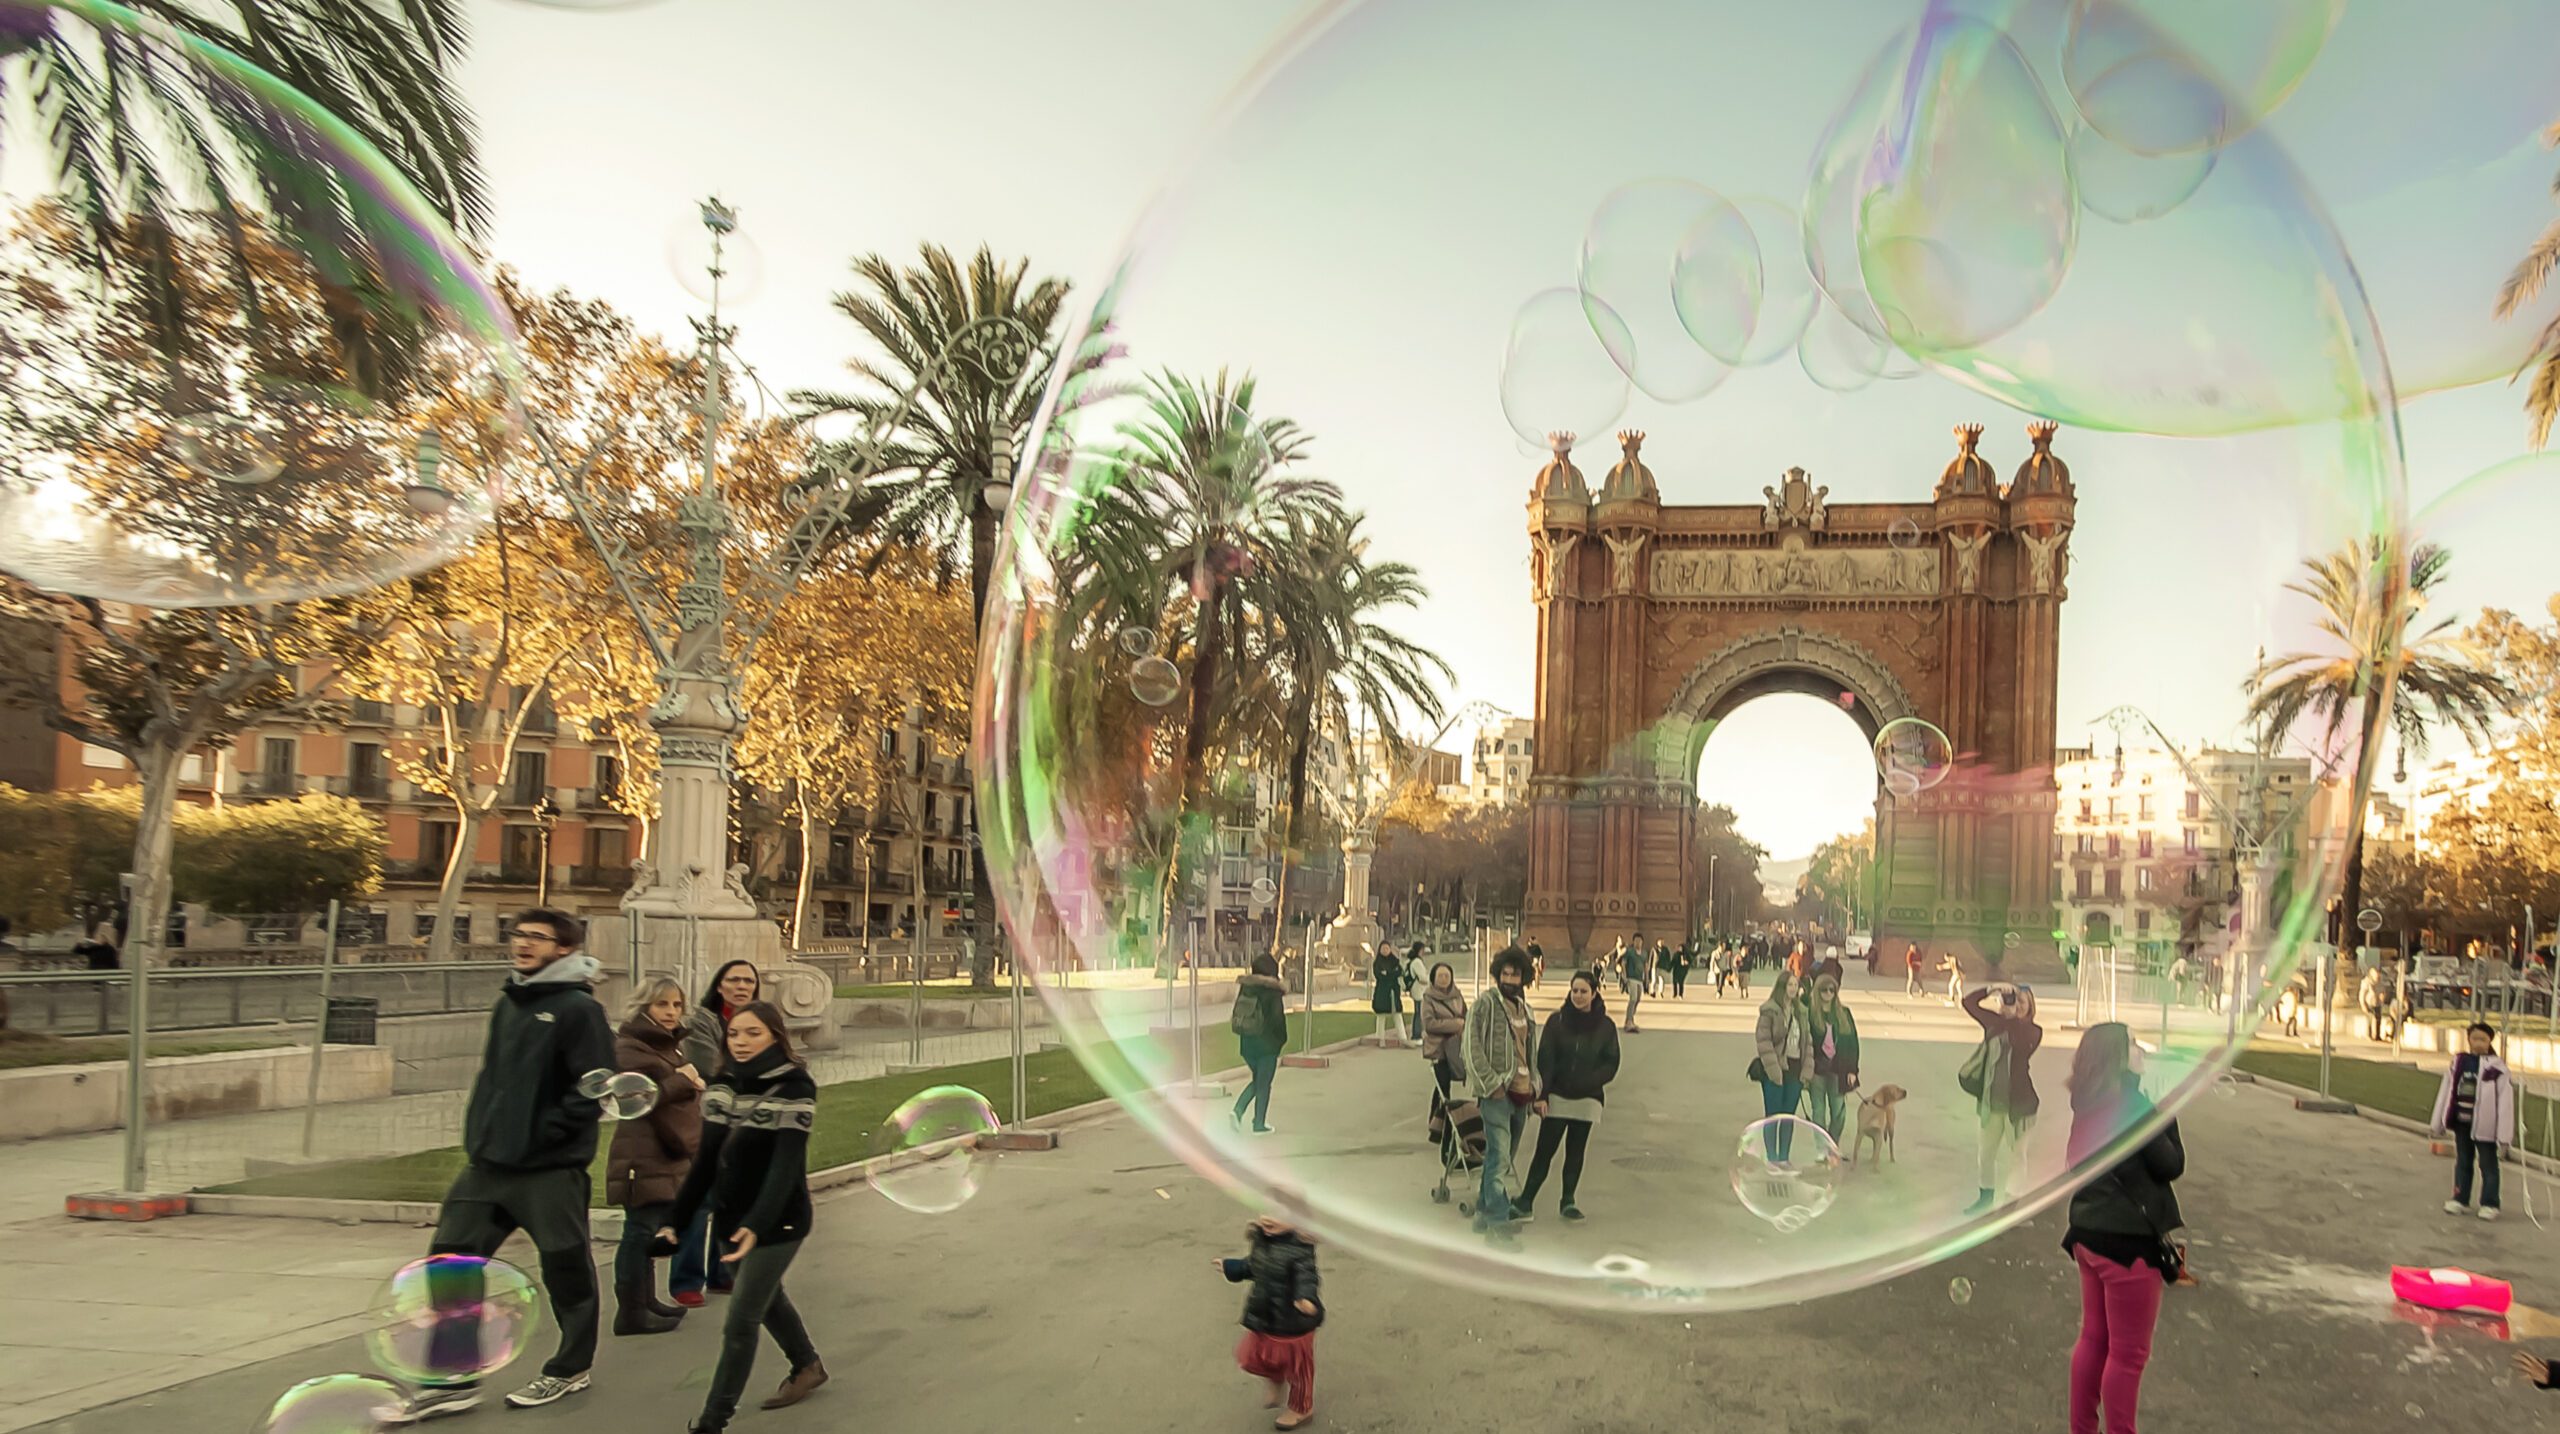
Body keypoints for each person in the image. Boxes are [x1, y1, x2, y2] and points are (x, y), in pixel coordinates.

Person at [389, 910, 616, 1421]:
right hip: (488, 1166)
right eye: (519, 934)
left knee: (565, 1270)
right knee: (448, 1265)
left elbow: (597, 1086)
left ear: (563, 949)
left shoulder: (579, 1009)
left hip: (549, 1170)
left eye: (538, 937)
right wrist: (484, 1133)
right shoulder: (509, 1003)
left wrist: (547, 1134)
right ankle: (453, 1381)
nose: (524, 943)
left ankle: (569, 1368)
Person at [662, 1001, 829, 1433]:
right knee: (768, 1298)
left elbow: (785, 1166)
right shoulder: (723, 1083)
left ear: (776, 1035)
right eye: (735, 1033)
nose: (740, 1041)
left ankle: (714, 1420)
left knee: (741, 1319)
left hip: (780, 1220)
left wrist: (756, 1224)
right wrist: (675, 1221)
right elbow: (706, 1162)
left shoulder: (795, 1086)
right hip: (730, 1216)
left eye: (753, 1033)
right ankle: (808, 1364)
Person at [2063, 1021, 2186, 1434]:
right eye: (2133, 1044)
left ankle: (2082, 1428)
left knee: (2094, 1339)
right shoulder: (2132, 1104)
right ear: (2118, 1058)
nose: (2141, 1050)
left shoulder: (2088, 1101)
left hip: (2088, 1233)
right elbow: (2171, 1164)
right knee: (2127, 1354)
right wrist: (2166, 1110)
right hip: (2126, 1243)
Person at [606, 978, 702, 1337]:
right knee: (637, 1232)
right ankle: (630, 1311)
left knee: (646, 1231)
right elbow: (635, 1099)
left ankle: (646, 1301)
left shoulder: (666, 1047)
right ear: (644, 1006)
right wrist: (684, 1079)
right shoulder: (631, 1048)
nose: (671, 1013)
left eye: (677, 1005)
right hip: (640, 1155)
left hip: (661, 1151)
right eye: (663, 1005)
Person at [675, 959, 762, 1306]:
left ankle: (722, 1273)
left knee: (732, 1199)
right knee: (700, 1201)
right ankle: (687, 1280)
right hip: (711, 1121)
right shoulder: (703, 1022)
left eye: (748, 981)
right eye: (734, 980)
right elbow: (709, 1066)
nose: (742, 986)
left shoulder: (761, 1022)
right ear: (720, 985)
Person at [1514, 970, 1620, 1222]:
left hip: (1587, 1098)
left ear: (1594, 993)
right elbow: (1545, 1059)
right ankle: (1525, 1202)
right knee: (1544, 1151)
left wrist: (1589, 1082)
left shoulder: (1606, 1026)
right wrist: (1542, 1095)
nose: (1578, 996)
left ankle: (1568, 1201)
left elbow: (1611, 1063)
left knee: (1576, 1151)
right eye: (1574, 991)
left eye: (1584, 991)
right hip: (1557, 1096)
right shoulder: (1556, 1021)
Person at [1215, 1214, 1322, 1430]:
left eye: (1278, 1214)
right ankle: (1275, 1378)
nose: (1267, 1218)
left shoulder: (1300, 1250)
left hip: (1294, 1324)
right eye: (1264, 1210)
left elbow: (1307, 1278)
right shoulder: (1263, 1240)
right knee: (1250, 1356)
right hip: (1265, 1316)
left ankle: (1302, 1408)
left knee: (1298, 1370)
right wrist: (1231, 1267)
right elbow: (1253, 1266)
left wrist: (1306, 1299)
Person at [1462, 947, 1539, 1233]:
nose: (1509, 979)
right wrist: (1491, 1084)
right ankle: (1498, 1219)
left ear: (1523, 978)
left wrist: (1535, 1085)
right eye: (1504, 973)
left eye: (1515, 974)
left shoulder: (1524, 1009)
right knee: (1499, 1156)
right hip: (1497, 1093)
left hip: (1522, 1092)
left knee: (1506, 1157)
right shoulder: (1485, 1004)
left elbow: (1530, 1051)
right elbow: (1471, 1048)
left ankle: (1483, 1211)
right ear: (1497, 975)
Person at [1963, 981, 2044, 1216]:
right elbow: (1967, 1002)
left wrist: (2010, 1018)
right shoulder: (1995, 1023)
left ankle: (2009, 1207)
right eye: (2012, 999)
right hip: (1992, 1102)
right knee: (1985, 1154)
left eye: (2021, 1001)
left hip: (2020, 1107)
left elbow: (2019, 1044)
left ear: (2030, 1007)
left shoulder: (2033, 1031)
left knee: (2017, 1156)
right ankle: (1985, 1198)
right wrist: (1992, 988)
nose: (2016, 1005)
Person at [2431, 1022, 2518, 1222]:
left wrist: (2504, 1136)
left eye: (2483, 1040)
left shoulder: (2497, 1068)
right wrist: (2438, 1123)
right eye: (2475, 1038)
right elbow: (2447, 1091)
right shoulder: (2459, 1062)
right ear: (2468, 1039)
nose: (2479, 1043)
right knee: (2463, 1161)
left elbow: (2505, 1103)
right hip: (2462, 1123)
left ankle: (2490, 1203)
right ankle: (2460, 1197)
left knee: (2488, 1165)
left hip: (2486, 1128)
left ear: (2489, 1042)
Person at [1752, 969, 1811, 1162]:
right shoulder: (1770, 1011)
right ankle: (1772, 1158)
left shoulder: (1801, 1012)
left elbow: (1807, 1043)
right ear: (1782, 987)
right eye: (1790, 985)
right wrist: (1774, 1071)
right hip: (1775, 1068)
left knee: (1788, 1117)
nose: (1794, 989)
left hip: (1795, 1068)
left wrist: (1807, 1070)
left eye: (1796, 985)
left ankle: (1784, 1158)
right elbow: (1763, 1041)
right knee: (1773, 1116)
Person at [1229, 955, 1289, 1135]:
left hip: (1247, 1042)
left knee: (1259, 1081)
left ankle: (1243, 1114)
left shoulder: (1246, 988)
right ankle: (1255, 1120)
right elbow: (1277, 1019)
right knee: (1263, 1083)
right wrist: (1281, 1041)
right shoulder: (1273, 991)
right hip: (1267, 1044)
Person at [1804, 969, 1861, 1145]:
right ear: (1817, 991)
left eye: (1832, 990)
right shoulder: (1809, 1013)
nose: (1828, 993)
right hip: (1817, 1069)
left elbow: (1852, 1043)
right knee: (1818, 1111)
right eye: (1824, 990)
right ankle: (1822, 1148)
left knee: (1838, 1112)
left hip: (1839, 1069)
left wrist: (1853, 1070)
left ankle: (1832, 1144)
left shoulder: (1844, 1013)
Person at [1417, 961, 1468, 1104]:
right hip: (1439, 1050)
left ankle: (1438, 1121)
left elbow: (1466, 1017)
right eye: (1440, 976)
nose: (1444, 979)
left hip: (1457, 1048)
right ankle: (1443, 1123)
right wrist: (1455, 1025)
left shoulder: (1457, 996)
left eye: (1447, 976)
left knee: (1443, 1090)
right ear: (1433, 978)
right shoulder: (1428, 998)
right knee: (1443, 1088)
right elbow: (1429, 1024)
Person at [1369, 944, 1404, 1040]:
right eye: (1383, 948)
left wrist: (1387, 973)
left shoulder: (1395, 961)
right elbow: (1379, 975)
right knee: (1381, 1015)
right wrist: (1391, 974)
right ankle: (1379, 1037)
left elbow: (1399, 972)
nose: (1385, 950)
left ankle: (1402, 1037)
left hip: (1393, 990)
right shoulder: (1377, 963)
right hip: (1382, 991)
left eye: (1387, 948)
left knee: (1397, 1013)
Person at [1619, 935, 1652, 1033]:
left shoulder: (1644, 953)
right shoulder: (1629, 952)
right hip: (1631, 977)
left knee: (1638, 999)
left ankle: (1630, 1019)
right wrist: (1624, 976)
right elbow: (1623, 963)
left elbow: (1646, 967)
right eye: (1636, 941)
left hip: (1639, 979)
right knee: (1632, 998)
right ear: (1633, 942)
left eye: (1640, 941)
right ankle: (1629, 1021)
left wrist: (1647, 979)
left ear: (1642, 942)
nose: (1638, 943)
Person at [1402, 941, 1427, 1041]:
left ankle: (1416, 1034)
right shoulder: (1417, 962)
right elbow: (1423, 978)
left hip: (1414, 989)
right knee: (1419, 1013)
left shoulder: (1409, 961)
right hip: (1419, 990)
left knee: (1417, 1012)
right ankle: (1417, 1035)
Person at [2359, 962, 2388, 1042]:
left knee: (2378, 1019)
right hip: (2369, 1003)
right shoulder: (2366, 982)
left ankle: (2377, 1035)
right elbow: (2362, 994)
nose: (2377, 977)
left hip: (2377, 1003)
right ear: (2372, 975)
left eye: (2378, 976)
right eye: (2376, 975)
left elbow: (2383, 991)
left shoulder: (2380, 982)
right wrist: (2363, 1004)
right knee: (2370, 1019)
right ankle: (2369, 1034)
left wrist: (2383, 996)